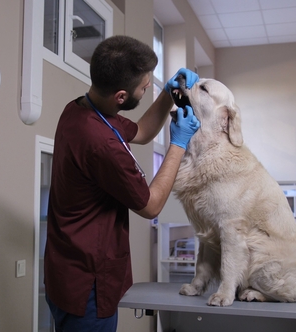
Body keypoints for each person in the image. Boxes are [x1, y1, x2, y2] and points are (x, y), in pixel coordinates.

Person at [44, 35, 200, 332]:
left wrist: (167, 93)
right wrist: (178, 144)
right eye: (145, 87)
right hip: (87, 285)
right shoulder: (101, 144)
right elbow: (152, 205)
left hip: (64, 273)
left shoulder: (80, 109)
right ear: (121, 96)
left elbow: (140, 131)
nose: (147, 89)